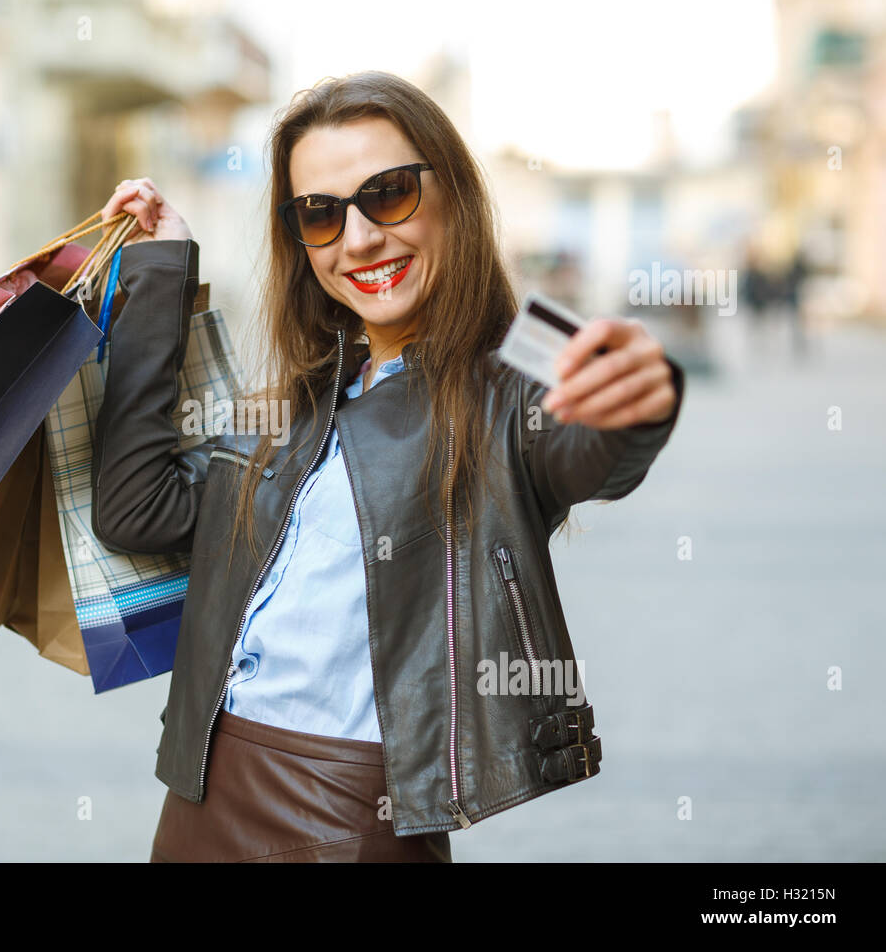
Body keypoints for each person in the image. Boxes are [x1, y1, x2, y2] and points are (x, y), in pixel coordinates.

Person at [92, 71, 685, 863]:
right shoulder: (293, 410)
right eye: (321, 213)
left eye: (391, 194)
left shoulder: (506, 399)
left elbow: (592, 452)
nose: (361, 238)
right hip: (196, 800)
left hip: (350, 823)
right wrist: (162, 270)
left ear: (455, 197)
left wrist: (641, 399)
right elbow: (133, 509)